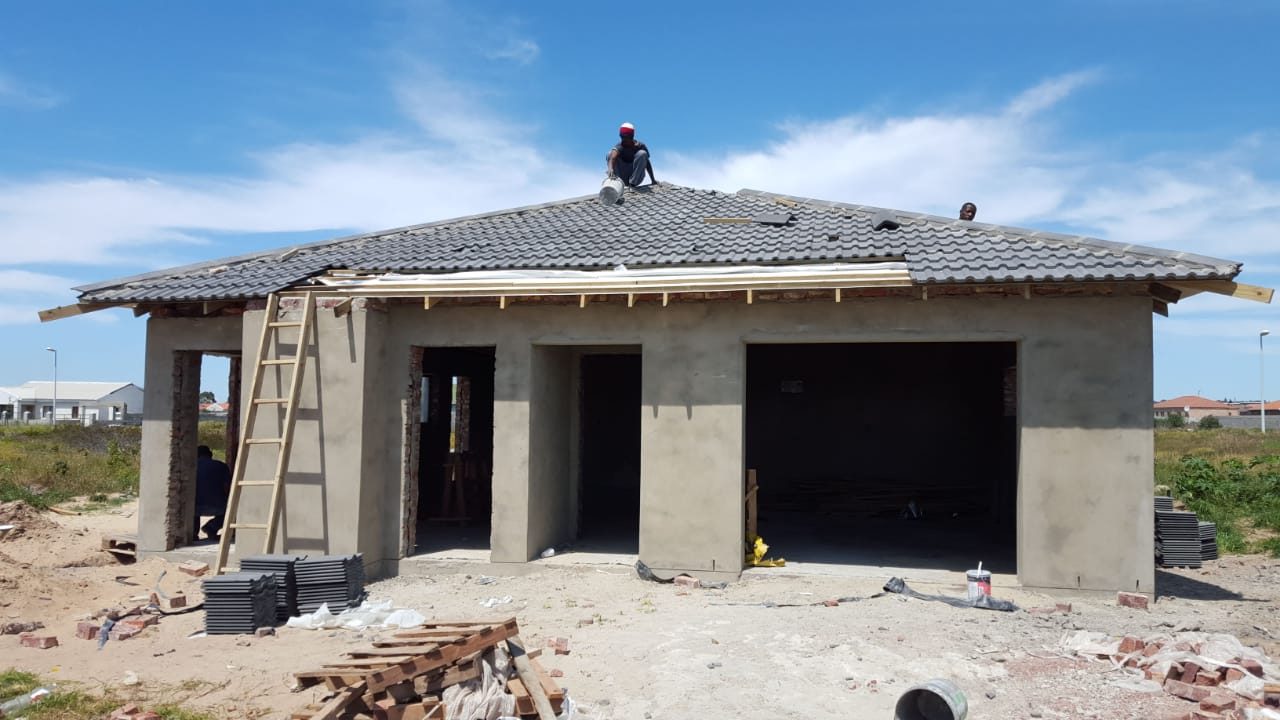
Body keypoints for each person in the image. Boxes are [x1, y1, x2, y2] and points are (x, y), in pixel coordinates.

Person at [194, 445, 231, 540]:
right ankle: (211, 527)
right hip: (218, 507)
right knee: (233, 511)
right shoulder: (221, 466)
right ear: (210, 454)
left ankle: (193, 534)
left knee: (190, 510)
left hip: (195, 508)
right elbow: (227, 487)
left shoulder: (191, 467)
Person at [606, 122, 658, 187]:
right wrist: (610, 168)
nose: (623, 140)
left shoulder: (640, 146)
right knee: (609, 154)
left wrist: (653, 180)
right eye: (622, 137)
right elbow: (612, 158)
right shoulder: (620, 146)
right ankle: (615, 181)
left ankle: (632, 184)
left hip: (636, 177)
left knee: (642, 153)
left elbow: (647, 163)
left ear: (631, 137)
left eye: (625, 138)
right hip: (622, 177)